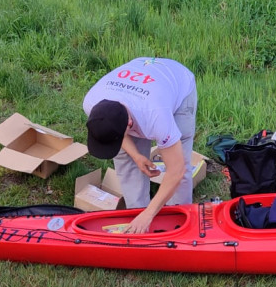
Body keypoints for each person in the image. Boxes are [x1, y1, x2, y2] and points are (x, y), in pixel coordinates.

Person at [84, 57, 197, 234]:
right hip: (143, 84)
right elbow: (116, 134)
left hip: (177, 82)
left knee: (179, 164)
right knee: (125, 157)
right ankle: (137, 220)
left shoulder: (156, 117)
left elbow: (177, 169)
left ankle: (181, 223)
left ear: (129, 124)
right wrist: (136, 156)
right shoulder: (92, 103)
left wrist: (149, 213)